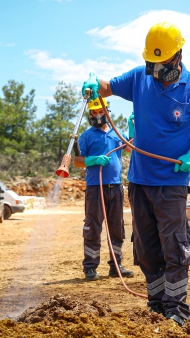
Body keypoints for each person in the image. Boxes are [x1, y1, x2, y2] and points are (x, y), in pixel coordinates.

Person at [81, 22, 190, 326]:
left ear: (178, 56)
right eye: (151, 63)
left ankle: (177, 310)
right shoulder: (139, 78)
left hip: (171, 182)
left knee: (174, 246)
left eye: (162, 63)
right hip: (140, 181)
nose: (156, 69)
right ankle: (156, 304)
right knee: (145, 247)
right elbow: (107, 87)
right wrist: (93, 82)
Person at [74, 97, 135, 281]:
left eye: (101, 111)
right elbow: (77, 161)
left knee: (116, 228)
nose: (98, 115)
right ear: (90, 115)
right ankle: (90, 267)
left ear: (106, 112)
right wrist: (93, 160)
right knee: (93, 227)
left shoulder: (116, 133)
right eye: (94, 113)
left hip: (115, 187)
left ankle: (116, 266)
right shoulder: (86, 136)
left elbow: (131, 148)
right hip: (95, 188)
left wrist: (132, 128)